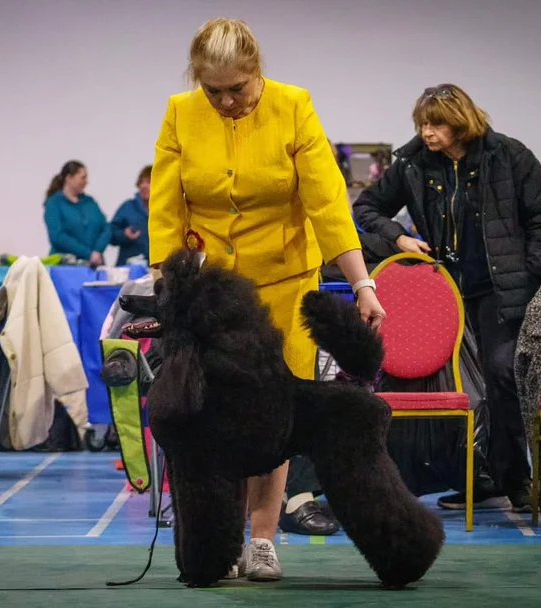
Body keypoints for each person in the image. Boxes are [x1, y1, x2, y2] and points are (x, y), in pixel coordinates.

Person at [149, 17, 386, 582]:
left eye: (238, 88)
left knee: (273, 416)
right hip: (212, 298)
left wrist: (362, 285)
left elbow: (328, 204)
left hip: (285, 287)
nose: (226, 101)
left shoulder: (293, 106)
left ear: (257, 69)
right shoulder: (180, 113)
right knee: (211, 419)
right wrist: (169, 290)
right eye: (213, 91)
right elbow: (166, 210)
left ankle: (261, 539)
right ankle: (219, 543)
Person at [353, 83, 541, 514]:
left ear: (460, 123)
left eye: (436, 124)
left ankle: (513, 479)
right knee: (448, 388)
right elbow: (366, 207)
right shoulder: (413, 163)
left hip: (499, 291)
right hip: (443, 290)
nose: (426, 133)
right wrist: (399, 237)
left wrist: (529, 275)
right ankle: (472, 477)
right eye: (422, 124)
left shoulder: (510, 156)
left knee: (501, 377)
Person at [43, 160, 110, 267]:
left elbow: (106, 228)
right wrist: (88, 254)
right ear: (69, 178)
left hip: (93, 265)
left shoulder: (90, 202)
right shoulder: (54, 204)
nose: (86, 182)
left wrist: (97, 251)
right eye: (83, 178)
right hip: (66, 266)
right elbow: (57, 236)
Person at [110, 165, 151, 266]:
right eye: (141, 182)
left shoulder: (164, 210)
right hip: (128, 269)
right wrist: (124, 235)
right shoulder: (127, 207)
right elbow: (110, 233)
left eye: (148, 182)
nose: (143, 186)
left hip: (155, 269)